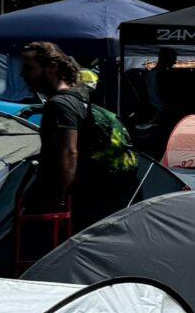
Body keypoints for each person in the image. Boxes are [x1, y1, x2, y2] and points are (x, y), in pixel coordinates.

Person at [18, 41, 129, 235]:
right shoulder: (78, 97)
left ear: (51, 68)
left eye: (29, 68)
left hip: (70, 202)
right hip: (92, 197)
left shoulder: (59, 104)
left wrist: (61, 200)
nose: (23, 74)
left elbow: (70, 153)